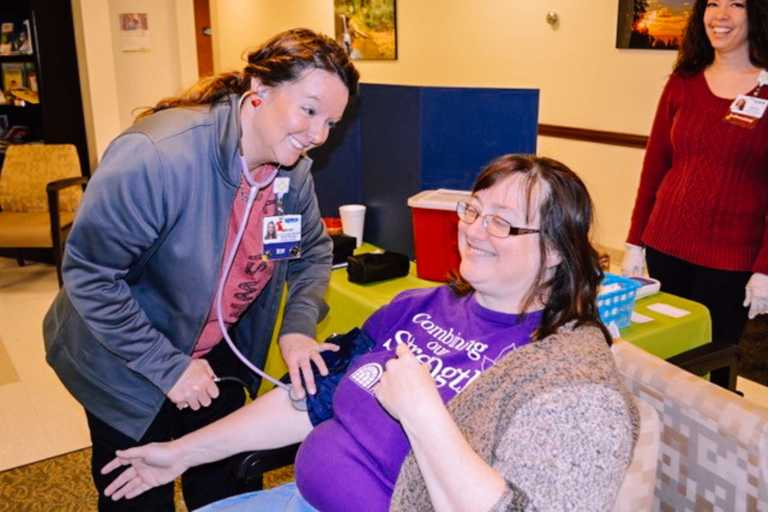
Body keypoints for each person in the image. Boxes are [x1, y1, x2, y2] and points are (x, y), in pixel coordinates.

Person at [101, 155, 639, 511]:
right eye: (474, 209)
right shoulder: (419, 305)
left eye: (503, 222)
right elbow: (309, 399)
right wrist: (181, 452)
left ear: (553, 254)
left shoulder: (565, 380)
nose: (474, 230)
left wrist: (422, 410)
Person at [42, 28, 359, 511]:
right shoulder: (157, 157)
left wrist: (296, 329)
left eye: (331, 123)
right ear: (259, 91)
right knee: (139, 488)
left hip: (214, 353)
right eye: (310, 110)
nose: (317, 135)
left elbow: (313, 251)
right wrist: (169, 368)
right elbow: (89, 275)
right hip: (124, 353)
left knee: (227, 482)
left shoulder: (291, 171)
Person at [622, 0, 768, 387]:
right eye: (712, 3)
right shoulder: (682, 81)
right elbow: (654, 167)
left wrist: (765, 268)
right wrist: (635, 241)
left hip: (731, 260)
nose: (720, 15)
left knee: (715, 368)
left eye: (736, 4)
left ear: (758, 14)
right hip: (666, 247)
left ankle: (712, 446)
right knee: (666, 360)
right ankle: (666, 442)